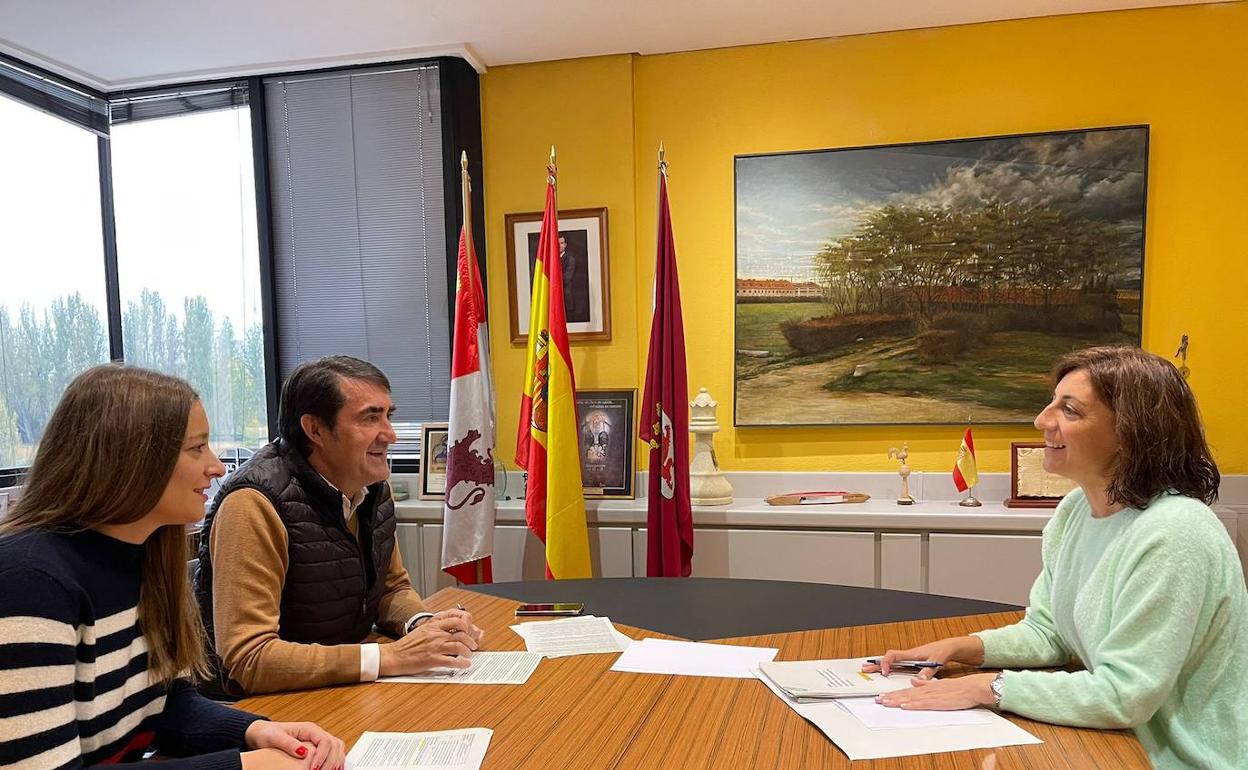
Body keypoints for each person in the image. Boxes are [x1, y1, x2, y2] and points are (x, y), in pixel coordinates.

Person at [866, 347, 1247, 770]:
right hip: (1109, 744)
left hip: (1176, 758)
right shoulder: (1076, 511)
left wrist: (985, 688)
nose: (1042, 420)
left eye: (1069, 410)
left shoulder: (1177, 532)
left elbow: (1125, 695)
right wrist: (960, 649)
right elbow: (1050, 634)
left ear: (1132, 431)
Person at [0, 364, 346, 770]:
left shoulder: (146, 554)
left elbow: (166, 706)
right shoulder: (29, 581)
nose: (217, 467)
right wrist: (246, 766)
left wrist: (256, 732)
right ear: (131, 458)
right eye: (197, 448)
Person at [194, 356, 483, 697]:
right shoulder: (253, 504)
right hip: (266, 709)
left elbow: (391, 590)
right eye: (370, 418)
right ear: (315, 429)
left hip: (341, 689)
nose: (390, 434)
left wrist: (423, 626)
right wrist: (387, 657)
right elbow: (248, 659)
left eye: (389, 416)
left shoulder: (373, 487)